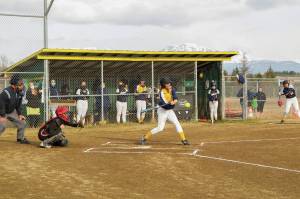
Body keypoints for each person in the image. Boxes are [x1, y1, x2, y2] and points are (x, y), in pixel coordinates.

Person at [141, 78, 189, 145]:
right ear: (163, 85)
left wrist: (174, 101)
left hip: (169, 111)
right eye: (167, 83)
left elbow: (175, 97)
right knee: (160, 128)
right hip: (162, 110)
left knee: (177, 123)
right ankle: (145, 137)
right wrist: (170, 104)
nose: (169, 84)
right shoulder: (161, 92)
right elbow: (165, 105)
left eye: (169, 83)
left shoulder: (172, 89)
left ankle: (183, 139)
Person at [0, 74, 30, 144]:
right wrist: (2, 116)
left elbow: (18, 105)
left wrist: (19, 114)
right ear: (14, 85)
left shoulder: (19, 92)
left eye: (22, 83)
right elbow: (1, 104)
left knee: (22, 122)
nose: (22, 86)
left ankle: (20, 138)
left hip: (10, 111)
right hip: (1, 111)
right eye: (20, 84)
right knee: (2, 126)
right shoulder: (6, 92)